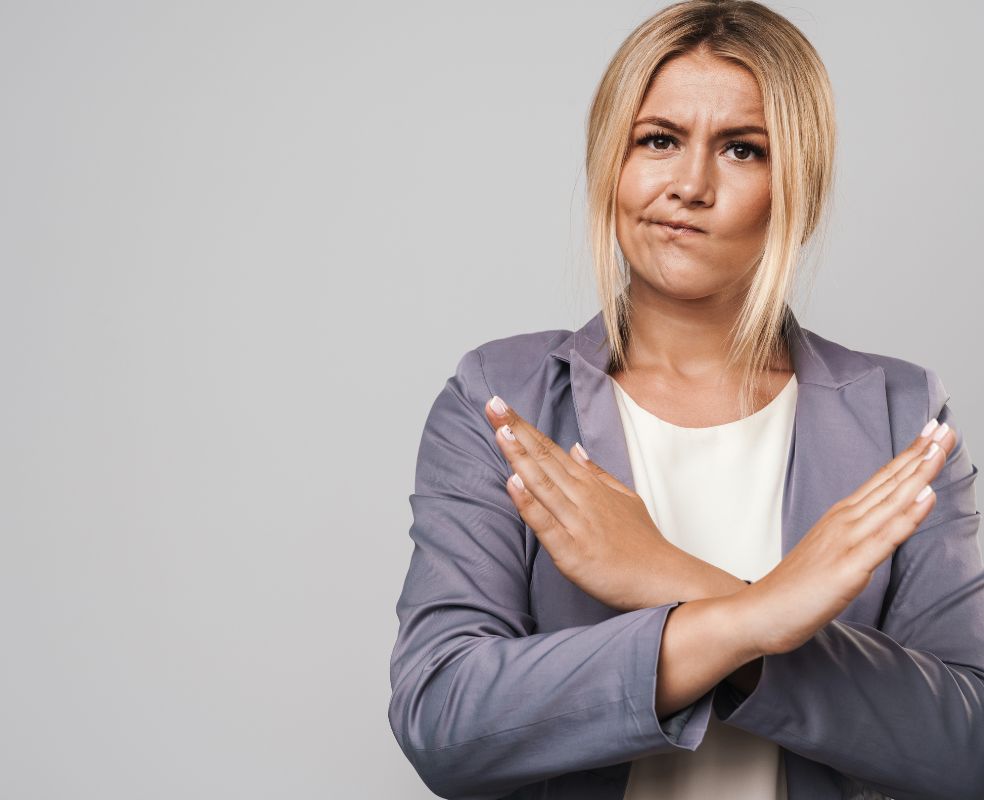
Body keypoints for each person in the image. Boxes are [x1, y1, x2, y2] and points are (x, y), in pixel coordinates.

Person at [387, 1, 984, 798]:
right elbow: (444, 719)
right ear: (613, 163)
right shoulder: (502, 398)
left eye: (742, 149)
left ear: (795, 189)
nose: (690, 185)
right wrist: (747, 617)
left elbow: (967, 744)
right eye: (659, 140)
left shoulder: (900, 414)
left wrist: (663, 573)